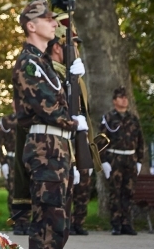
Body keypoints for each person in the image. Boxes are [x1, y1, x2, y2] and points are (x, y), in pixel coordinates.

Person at [12, 0, 87, 249]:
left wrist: (73, 82)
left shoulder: (45, 64)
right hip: (45, 148)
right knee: (47, 224)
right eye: (48, 19)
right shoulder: (29, 64)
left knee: (59, 226)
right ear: (31, 26)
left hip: (58, 147)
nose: (54, 24)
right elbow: (47, 107)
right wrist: (74, 123)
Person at [44, 18, 94, 236]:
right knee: (52, 222)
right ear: (57, 47)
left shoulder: (70, 75)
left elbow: (82, 112)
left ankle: (76, 224)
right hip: (55, 149)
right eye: (72, 45)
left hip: (70, 145)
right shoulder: (50, 74)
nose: (77, 51)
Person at [99, 86, 144, 236]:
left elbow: (140, 141)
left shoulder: (133, 119)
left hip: (130, 159)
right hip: (115, 159)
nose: (124, 100)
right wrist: (104, 161)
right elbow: (101, 141)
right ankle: (116, 224)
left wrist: (139, 160)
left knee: (128, 192)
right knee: (115, 193)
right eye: (121, 97)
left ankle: (127, 224)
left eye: (125, 97)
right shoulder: (108, 118)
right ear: (114, 101)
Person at [0, 112, 29, 234]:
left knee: (29, 190)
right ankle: (17, 222)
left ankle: (26, 221)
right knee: (14, 192)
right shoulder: (6, 121)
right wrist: (3, 162)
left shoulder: (32, 117)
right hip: (12, 160)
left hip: (28, 158)